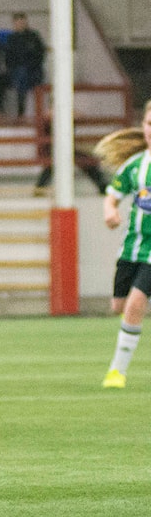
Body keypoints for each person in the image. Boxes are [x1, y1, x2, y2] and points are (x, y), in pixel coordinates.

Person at [98, 103, 151, 389]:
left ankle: (117, 372)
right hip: (132, 248)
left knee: (134, 305)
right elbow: (113, 195)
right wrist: (110, 211)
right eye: (149, 123)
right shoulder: (135, 165)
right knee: (118, 305)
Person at [3, 12, 46, 117]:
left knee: (28, 76)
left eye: (22, 22)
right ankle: (21, 111)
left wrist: (31, 63)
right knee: (21, 75)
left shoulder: (34, 36)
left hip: (33, 68)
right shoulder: (11, 38)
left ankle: (34, 111)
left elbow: (40, 53)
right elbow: (9, 58)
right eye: (18, 22)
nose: (21, 24)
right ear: (14, 23)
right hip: (17, 69)